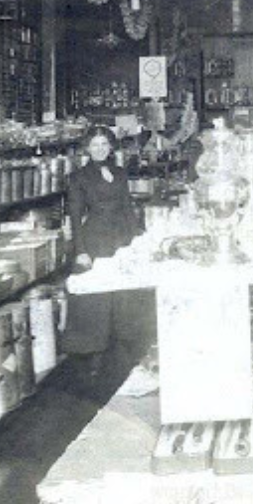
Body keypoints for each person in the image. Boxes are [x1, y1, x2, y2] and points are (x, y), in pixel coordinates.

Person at [64, 126, 151, 381]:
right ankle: (94, 354)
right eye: (95, 145)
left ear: (111, 147)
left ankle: (125, 349)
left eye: (104, 144)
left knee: (124, 292)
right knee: (97, 297)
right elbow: (76, 216)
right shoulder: (78, 177)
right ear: (87, 149)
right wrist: (81, 251)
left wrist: (136, 240)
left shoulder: (120, 173)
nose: (100, 148)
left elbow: (127, 207)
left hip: (121, 236)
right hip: (95, 238)